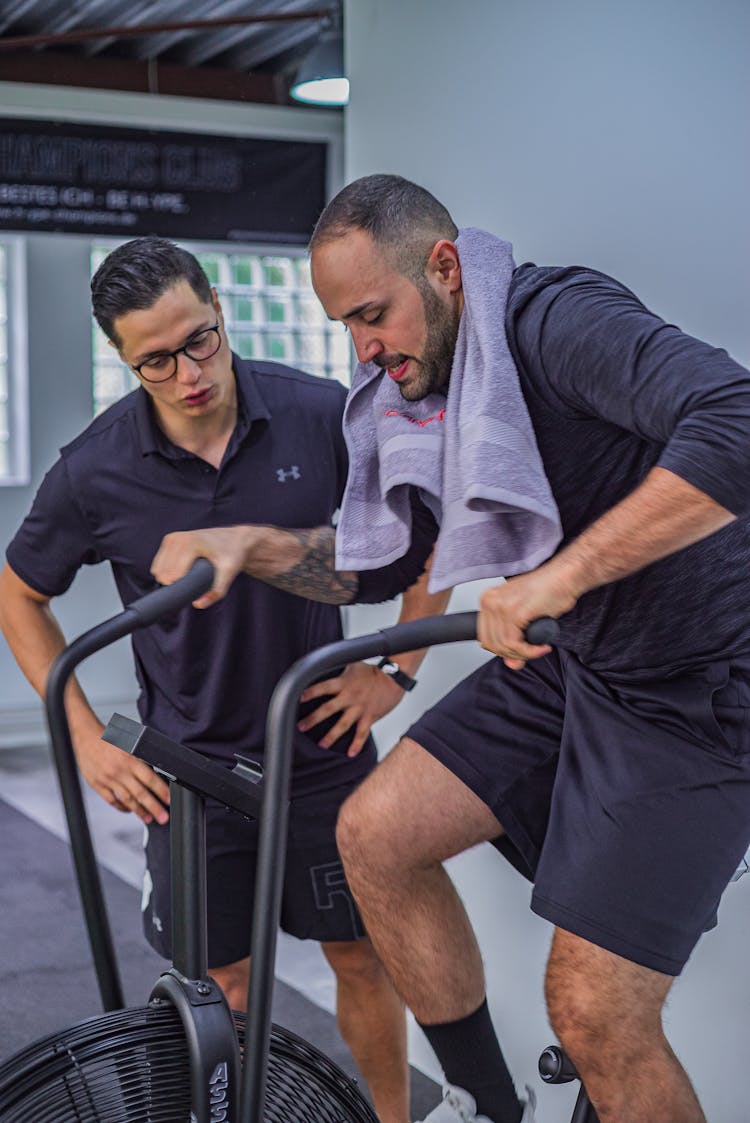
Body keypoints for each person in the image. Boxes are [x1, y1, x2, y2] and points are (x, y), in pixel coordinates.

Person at [149, 174, 750, 1123]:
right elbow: (391, 565)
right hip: (583, 657)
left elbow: (738, 420)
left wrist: (562, 576)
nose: (366, 348)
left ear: (445, 267)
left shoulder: (555, 321)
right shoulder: (427, 382)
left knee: (594, 1013)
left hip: (703, 686)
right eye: (345, 326)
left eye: (374, 315)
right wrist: (253, 548)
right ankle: (485, 1109)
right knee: (375, 834)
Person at [0, 234, 450, 1123]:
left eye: (199, 339)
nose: (189, 373)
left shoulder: (321, 413)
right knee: (223, 984)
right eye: (155, 361)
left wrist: (395, 669)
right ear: (123, 358)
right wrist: (85, 737)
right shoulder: (94, 469)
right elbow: (18, 595)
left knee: (361, 955)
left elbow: (427, 540)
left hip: (321, 747)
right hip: (190, 774)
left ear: (218, 305)